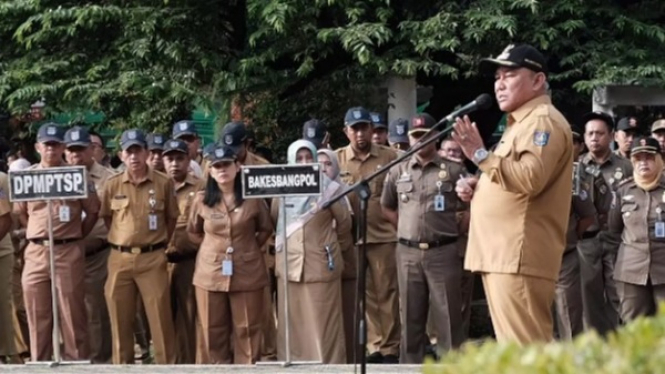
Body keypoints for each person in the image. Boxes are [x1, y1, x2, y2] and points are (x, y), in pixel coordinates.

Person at [453, 43, 573, 344]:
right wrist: (479, 186)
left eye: (509, 75)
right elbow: (511, 179)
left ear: (537, 80)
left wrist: (480, 154)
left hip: (518, 254)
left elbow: (531, 179)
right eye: (497, 77)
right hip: (502, 254)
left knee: (526, 352)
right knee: (517, 351)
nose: (500, 84)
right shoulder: (520, 123)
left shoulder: (541, 121)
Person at [382, 113, 467, 362]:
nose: (420, 141)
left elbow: (473, 204)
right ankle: (409, 366)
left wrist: (458, 227)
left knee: (448, 317)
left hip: (443, 250)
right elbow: (387, 206)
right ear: (409, 139)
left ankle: (454, 367)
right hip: (408, 253)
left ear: (435, 136)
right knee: (410, 317)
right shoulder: (398, 170)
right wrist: (407, 229)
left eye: (425, 136)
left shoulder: (452, 169)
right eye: (415, 137)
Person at [15, 123, 100, 361]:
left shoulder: (77, 175)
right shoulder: (28, 176)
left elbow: (93, 211)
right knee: (36, 311)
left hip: (68, 248)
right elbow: (21, 212)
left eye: (55, 144)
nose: (51, 149)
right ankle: (39, 363)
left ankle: (76, 363)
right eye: (46, 145)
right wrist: (35, 231)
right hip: (36, 251)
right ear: (38, 147)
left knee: (72, 313)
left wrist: (76, 235)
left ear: (63, 146)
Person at [187, 145, 273, 364]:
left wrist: (248, 248)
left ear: (237, 167)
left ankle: (246, 369)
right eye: (217, 166)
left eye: (226, 164)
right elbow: (193, 232)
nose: (222, 170)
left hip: (247, 270)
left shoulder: (252, 198)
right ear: (211, 172)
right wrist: (211, 249)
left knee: (248, 328)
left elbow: (265, 229)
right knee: (211, 329)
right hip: (210, 271)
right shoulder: (201, 199)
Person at [101, 129, 178, 364]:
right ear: (121, 155)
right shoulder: (112, 184)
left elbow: (172, 218)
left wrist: (158, 242)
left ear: (146, 152)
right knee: (119, 319)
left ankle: (167, 368)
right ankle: (122, 367)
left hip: (152, 258)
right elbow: (106, 218)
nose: (134, 156)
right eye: (128, 151)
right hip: (119, 258)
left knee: (160, 320)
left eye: (138, 150)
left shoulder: (163, 182)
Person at [274, 140, 352, 363]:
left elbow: (344, 223)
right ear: (290, 161)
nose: (305, 163)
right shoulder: (281, 188)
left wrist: (328, 244)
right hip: (289, 267)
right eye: (299, 159)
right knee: (294, 329)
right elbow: (274, 219)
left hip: (320, 265)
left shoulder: (328, 188)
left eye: (309, 158)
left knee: (323, 329)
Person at [336, 106, 400, 363]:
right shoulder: (336, 159)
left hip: (383, 236)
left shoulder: (390, 156)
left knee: (388, 292)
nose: (360, 134)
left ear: (372, 130)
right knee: (362, 294)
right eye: (355, 129)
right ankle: (374, 345)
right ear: (346, 131)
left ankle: (391, 347)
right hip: (351, 238)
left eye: (364, 128)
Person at [219, 120, 277, 360]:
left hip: (258, 246)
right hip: (225, 249)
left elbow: (273, 211)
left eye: (237, 150)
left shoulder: (263, 168)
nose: (233, 156)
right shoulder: (217, 167)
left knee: (261, 306)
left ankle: (269, 353)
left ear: (248, 144)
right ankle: (235, 354)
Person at [64, 126, 116, 363]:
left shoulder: (109, 179)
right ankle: (70, 359)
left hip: (96, 254)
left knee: (96, 311)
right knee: (66, 311)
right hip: (62, 254)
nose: (77, 155)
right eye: (71, 150)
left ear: (92, 149)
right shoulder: (54, 177)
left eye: (81, 149)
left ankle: (99, 362)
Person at [579, 111, 632, 335]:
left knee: (619, 294)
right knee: (588, 297)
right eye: (590, 133)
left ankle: (621, 342)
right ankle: (596, 346)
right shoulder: (576, 167)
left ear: (611, 136)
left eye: (600, 133)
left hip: (617, 240)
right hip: (587, 241)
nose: (594, 138)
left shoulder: (626, 166)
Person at [609, 137, 665, 321]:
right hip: (631, 272)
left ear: (658, 159)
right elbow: (614, 229)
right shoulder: (624, 190)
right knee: (633, 327)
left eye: (648, 157)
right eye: (638, 158)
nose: (643, 163)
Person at [554, 124, 597, 340]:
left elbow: (587, 215)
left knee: (569, 317)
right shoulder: (528, 173)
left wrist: (572, 235)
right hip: (531, 257)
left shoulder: (572, 178)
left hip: (564, 256)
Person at [162, 139, 202, 364]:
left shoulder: (201, 186)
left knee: (189, 317)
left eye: (180, 158)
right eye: (170, 159)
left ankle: (189, 364)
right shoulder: (157, 185)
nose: (175, 164)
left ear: (189, 160)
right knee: (163, 318)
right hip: (159, 260)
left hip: (189, 261)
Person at [317, 148, 357, 363]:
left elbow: (353, 225)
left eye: (328, 163)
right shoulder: (307, 197)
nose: (323, 168)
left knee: (346, 314)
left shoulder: (347, 192)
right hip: (319, 265)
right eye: (319, 163)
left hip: (344, 260)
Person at [0, 170, 21, 364]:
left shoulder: (0, 179)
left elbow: (5, 218)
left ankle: (9, 353)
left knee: (2, 304)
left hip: (0, 251)